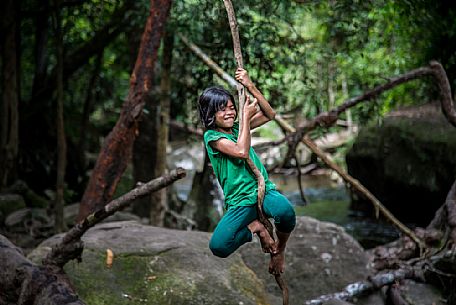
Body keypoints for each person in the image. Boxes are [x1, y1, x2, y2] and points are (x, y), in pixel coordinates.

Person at [197, 68, 296, 275]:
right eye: (222, 110)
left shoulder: (236, 128)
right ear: (210, 114)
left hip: (262, 191)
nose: (230, 113)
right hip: (240, 200)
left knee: (285, 212)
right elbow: (241, 151)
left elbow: (270, 114)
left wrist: (250, 86)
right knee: (219, 246)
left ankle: (280, 250)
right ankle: (256, 227)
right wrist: (244, 116)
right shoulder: (212, 137)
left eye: (232, 108)